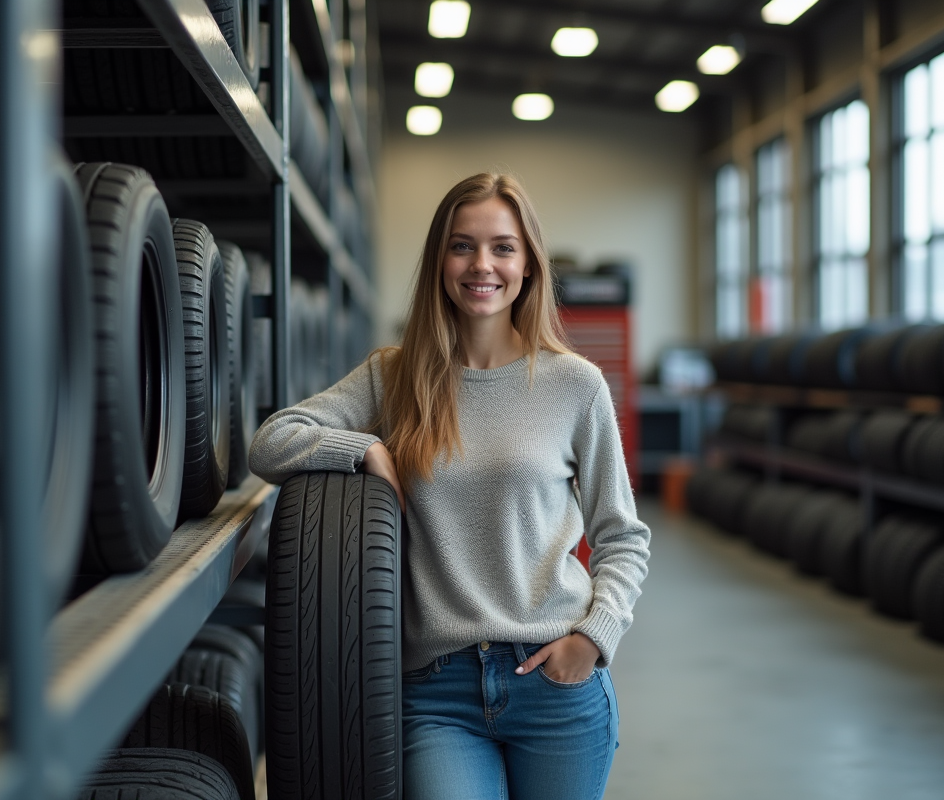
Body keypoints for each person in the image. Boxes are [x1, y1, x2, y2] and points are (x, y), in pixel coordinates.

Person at [248, 172, 650, 800]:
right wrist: (365, 448)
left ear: (528, 264)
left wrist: (594, 638)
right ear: (440, 260)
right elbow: (271, 441)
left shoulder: (576, 386)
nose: (481, 264)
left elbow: (622, 536)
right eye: (462, 246)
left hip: (555, 683)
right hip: (438, 693)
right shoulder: (395, 376)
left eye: (502, 247)